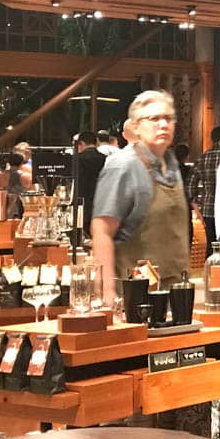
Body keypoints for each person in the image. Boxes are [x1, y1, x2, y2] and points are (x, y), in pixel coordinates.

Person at [91, 91, 189, 306]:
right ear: (135, 127)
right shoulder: (123, 166)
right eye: (154, 119)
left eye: (168, 118)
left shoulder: (171, 164)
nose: (163, 124)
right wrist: (107, 293)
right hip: (137, 296)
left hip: (176, 291)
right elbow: (101, 231)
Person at [191, 123, 220, 244]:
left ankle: (211, 263)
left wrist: (196, 209)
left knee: (211, 247)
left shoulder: (203, 158)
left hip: (209, 208)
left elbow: (190, 186)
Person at [72, 131, 106, 236]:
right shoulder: (106, 159)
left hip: (81, 202)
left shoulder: (75, 159)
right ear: (96, 142)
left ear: (81, 143)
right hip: (101, 202)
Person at [0, 151, 31, 218]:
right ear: (22, 163)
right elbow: (34, 194)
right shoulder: (26, 177)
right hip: (21, 212)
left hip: (2, 212)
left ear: (8, 162)